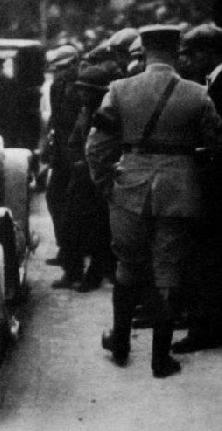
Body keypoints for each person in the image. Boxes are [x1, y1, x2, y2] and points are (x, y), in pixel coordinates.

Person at [87, 25, 222, 377]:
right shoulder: (197, 94)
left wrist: (107, 184)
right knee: (169, 271)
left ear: (144, 52)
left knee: (127, 265)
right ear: (176, 52)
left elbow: (96, 148)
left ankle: (120, 342)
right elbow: (217, 147)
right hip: (180, 192)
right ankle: (161, 360)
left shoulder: (118, 90)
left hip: (129, 186)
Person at [171, 24, 222, 353]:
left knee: (208, 257)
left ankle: (206, 329)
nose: (186, 61)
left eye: (192, 53)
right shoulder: (211, 82)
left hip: (216, 182)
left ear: (211, 53)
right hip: (210, 178)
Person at [58, 66, 116, 292]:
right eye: (80, 90)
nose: (81, 94)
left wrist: (98, 165)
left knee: (100, 232)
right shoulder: (85, 111)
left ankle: (94, 275)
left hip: (102, 179)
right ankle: (72, 271)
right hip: (82, 178)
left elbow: (115, 146)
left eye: (87, 90)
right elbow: (74, 141)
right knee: (70, 226)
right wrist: (77, 161)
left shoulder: (111, 113)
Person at [43, 45, 80, 274]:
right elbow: (56, 121)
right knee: (54, 199)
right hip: (61, 154)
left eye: (64, 67)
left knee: (73, 209)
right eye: (57, 68)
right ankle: (65, 250)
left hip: (76, 155)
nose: (60, 72)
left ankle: (73, 261)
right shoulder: (57, 86)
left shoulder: (79, 87)